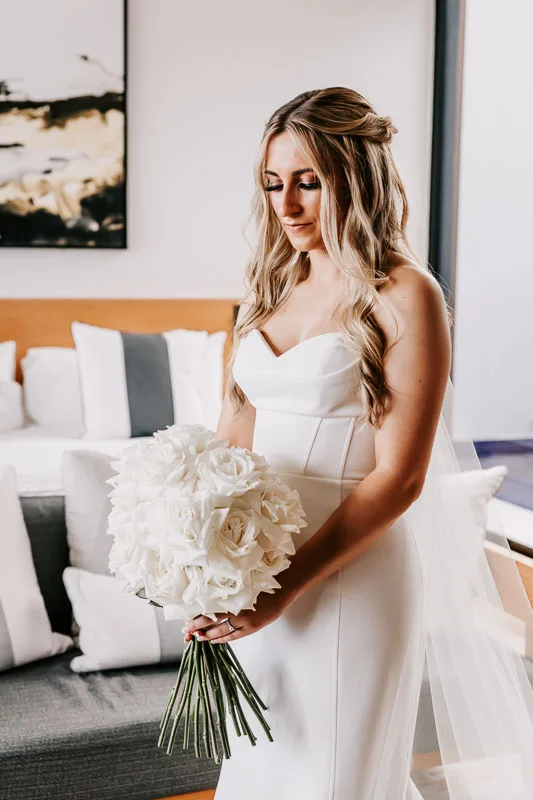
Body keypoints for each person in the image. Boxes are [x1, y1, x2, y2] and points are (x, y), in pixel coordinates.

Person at [183, 87, 533, 799]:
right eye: (273, 183)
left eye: (309, 182)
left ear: (357, 178)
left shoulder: (406, 295)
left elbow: (399, 478)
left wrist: (280, 591)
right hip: (261, 575)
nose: (286, 206)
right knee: (263, 773)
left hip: (351, 576)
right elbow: (232, 440)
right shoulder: (264, 288)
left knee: (334, 781)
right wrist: (205, 566)